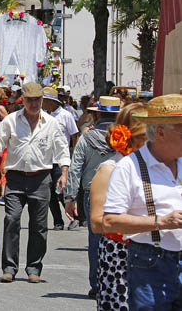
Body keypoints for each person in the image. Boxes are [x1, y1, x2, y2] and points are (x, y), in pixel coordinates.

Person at [103, 94, 182, 310]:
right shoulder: (128, 167)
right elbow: (110, 221)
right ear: (160, 133)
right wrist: (160, 222)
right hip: (151, 262)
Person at [0, 82, 70, 283]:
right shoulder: (10, 120)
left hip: (41, 178)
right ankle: (9, 267)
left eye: (38, 100)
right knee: (12, 220)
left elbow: (62, 149)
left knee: (39, 226)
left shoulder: (51, 123)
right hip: (16, 178)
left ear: (42, 101)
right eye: (30, 100)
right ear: (22, 101)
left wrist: (64, 173)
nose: (34, 104)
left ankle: (34, 268)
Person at [89, 102, 147, 310]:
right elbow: (96, 222)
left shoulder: (157, 168)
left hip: (151, 255)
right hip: (120, 258)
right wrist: (146, 224)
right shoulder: (109, 170)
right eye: (143, 132)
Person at [65, 95, 119, 297]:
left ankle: (97, 285)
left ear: (96, 115)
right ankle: (115, 283)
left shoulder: (87, 137)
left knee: (95, 240)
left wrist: (70, 198)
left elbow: (75, 168)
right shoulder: (127, 137)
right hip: (120, 195)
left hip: (92, 194)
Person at [42, 87, 79, 231]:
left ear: (50, 101)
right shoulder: (43, 115)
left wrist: (73, 154)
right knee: (49, 193)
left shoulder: (65, 115)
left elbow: (74, 135)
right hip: (46, 160)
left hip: (60, 160)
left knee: (62, 191)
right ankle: (58, 221)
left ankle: (73, 217)